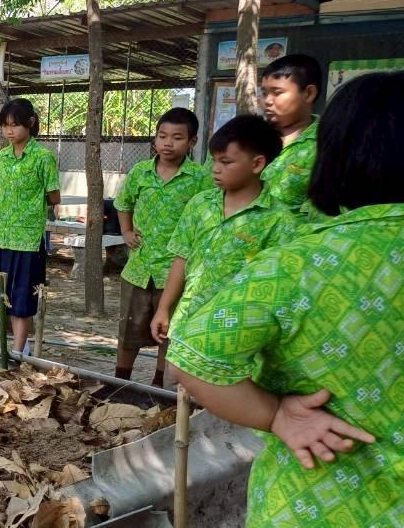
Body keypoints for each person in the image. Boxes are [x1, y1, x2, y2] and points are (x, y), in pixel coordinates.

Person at [166, 71, 402, 527]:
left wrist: (275, 414)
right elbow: (183, 258)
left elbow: (191, 358)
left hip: (314, 503)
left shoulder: (298, 259)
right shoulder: (212, 210)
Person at [150, 115, 296, 356]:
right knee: (178, 377)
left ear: (257, 164)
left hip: (238, 336)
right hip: (188, 323)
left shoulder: (278, 221)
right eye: (214, 160)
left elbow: (277, 289)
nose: (215, 168)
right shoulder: (201, 204)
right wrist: (164, 308)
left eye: (226, 162)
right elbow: (181, 258)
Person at [111, 108, 211, 386]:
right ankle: (119, 383)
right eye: (162, 136)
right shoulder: (141, 172)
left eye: (177, 138)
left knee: (168, 331)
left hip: (176, 271)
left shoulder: (200, 178)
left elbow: (207, 215)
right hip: (139, 268)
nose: (168, 143)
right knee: (129, 329)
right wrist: (126, 231)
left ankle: (159, 386)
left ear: (192, 141)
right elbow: (123, 203)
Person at [0, 99, 60, 354]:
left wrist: (31, 204)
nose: (9, 131)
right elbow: (0, 191)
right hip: (1, 236)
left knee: (22, 296)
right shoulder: (2, 157)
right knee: (4, 295)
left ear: (30, 123)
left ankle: (18, 349)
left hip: (28, 240)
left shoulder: (43, 157)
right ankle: (16, 347)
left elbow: (54, 196)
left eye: (15, 125)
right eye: (5, 125)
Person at [259, 53, 322, 219]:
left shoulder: (328, 144)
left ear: (308, 93)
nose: (267, 101)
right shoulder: (247, 135)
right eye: (264, 93)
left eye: (277, 92)